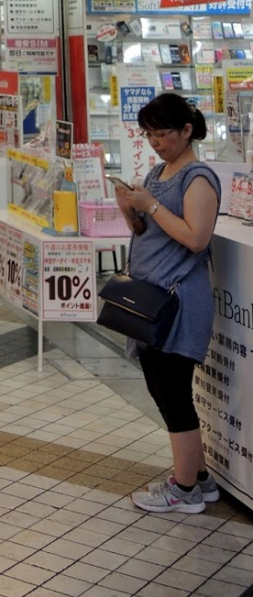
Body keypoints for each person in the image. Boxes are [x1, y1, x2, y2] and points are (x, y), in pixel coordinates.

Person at [115, 94, 222, 514]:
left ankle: (184, 490)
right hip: (151, 299)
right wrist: (130, 209)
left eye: (162, 134)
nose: (155, 142)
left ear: (186, 131)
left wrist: (151, 205)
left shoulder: (198, 178)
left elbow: (197, 239)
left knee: (173, 393)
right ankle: (198, 477)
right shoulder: (159, 171)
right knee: (161, 388)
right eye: (149, 135)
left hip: (179, 303)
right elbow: (147, 231)